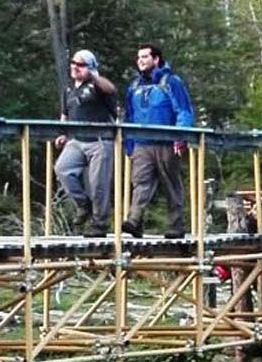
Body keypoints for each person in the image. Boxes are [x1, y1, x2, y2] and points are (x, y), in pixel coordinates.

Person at [121, 44, 194, 239]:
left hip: (166, 142)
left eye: (145, 57)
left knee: (170, 184)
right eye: (139, 57)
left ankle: (176, 225)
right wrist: (128, 143)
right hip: (141, 143)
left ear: (156, 59)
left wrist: (180, 136)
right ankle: (134, 221)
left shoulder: (171, 81)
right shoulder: (134, 86)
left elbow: (184, 110)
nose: (141, 61)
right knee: (140, 182)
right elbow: (129, 116)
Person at [54, 49, 117, 237]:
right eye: (73, 63)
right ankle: (83, 204)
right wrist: (62, 133)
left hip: (100, 140)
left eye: (80, 65)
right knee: (62, 169)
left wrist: (93, 76)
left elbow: (111, 89)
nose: (75, 67)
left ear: (90, 67)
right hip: (76, 140)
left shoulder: (98, 85)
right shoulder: (68, 90)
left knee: (98, 185)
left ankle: (100, 224)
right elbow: (64, 114)